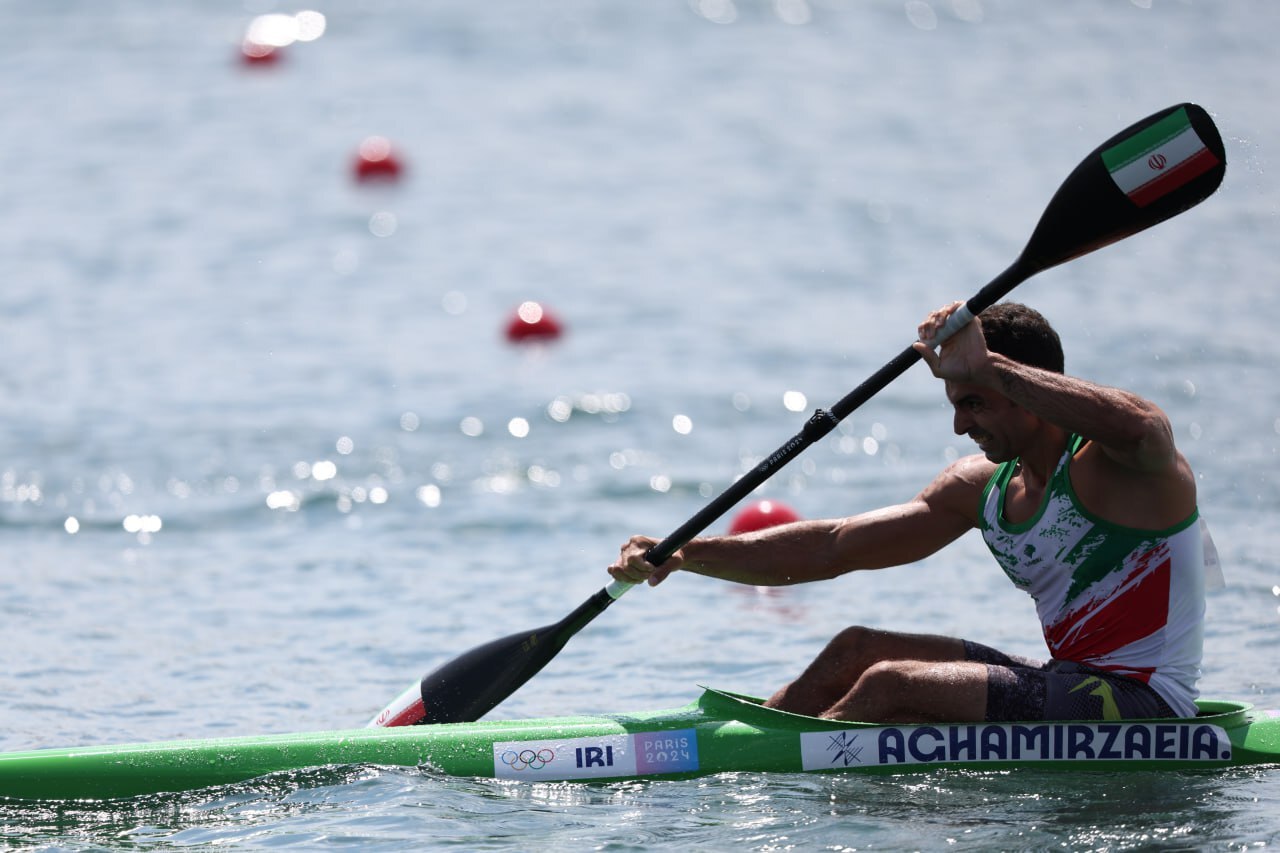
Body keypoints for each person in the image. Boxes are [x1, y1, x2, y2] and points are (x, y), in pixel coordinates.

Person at [607, 301, 1208, 724]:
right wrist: (683, 555)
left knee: (890, 684)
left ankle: (787, 792)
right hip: (1069, 678)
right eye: (956, 403)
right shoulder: (983, 491)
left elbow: (1145, 424)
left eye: (973, 402)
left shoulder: (1124, 468)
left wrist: (988, 365)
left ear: (1025, 386)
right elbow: (833, 546)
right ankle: (750, 745)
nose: (959, 424)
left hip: (1144, 702)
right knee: (856, 650)